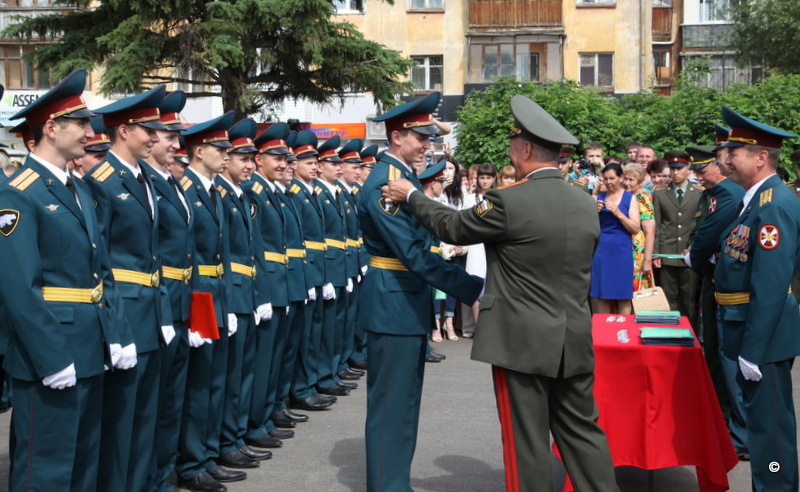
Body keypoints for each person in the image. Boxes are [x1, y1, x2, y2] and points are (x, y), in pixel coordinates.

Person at [382, 94, 618, 492]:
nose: (510, 153)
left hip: (521, 341)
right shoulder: (583, 202)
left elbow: (453, 228)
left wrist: (413, 197)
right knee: (582, 432)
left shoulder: (508, 201)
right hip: (573, 336)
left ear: (526, 149)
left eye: (512, 145)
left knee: (525, 440)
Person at [0, 69, 132, 492]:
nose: (91, 131)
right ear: (52, 129)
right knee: (46, 467)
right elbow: (19, 288)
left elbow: (102, 269)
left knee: (83, 461)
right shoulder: (20, 193)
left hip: (91, 344)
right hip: (51, 353)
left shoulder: (81, 190)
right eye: (81, 123)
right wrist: (50, 357)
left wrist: (115, 331)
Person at [358, 91, 482, 492]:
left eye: (427, 136)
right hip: (393, 299)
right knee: (392, 404)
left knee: (405, 403)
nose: (426, 144)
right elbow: (412, 254)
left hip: (406, 299)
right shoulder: (385, 185)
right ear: (396, 137)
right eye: (419, 136)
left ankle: (395, 482)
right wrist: (474, 289)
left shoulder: (404, 180)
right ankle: (386, 486)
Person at [87, 84, 171, 492]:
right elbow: (99, 261)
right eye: (147, 131)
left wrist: (165, 312)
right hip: (125, 314)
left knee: (145, 416)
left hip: (151, 310)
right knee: (121, 422)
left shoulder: (142, 178)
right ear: (123, 131)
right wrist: (115, 328)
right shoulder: (102, 179)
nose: (155, 138)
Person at [713, 106, 800, 491]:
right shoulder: (758, 200)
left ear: (761, 157)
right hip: (750, 328)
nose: (727, 159)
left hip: (762, 333)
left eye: (736, 152)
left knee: (771, 432)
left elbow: (770, 283)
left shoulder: (773, 205)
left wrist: (754, 348)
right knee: (765, 426)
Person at [138, 90, 203, 490]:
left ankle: (164, 474)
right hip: (157, 306)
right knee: (151, 405)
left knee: (173, 400)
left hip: (183, 301)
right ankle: (150, 477)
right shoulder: (142, 181)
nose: (176, 145)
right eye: (167, 136)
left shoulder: (170, 183)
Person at [175, 111, 242, 491]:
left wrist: (226, 303)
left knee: (215, 379)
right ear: (200, 151)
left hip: (217, 294)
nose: (226, 154)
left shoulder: (212, 190)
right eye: (221, 148)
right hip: (199, 295)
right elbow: (191, 257)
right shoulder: (188, 190)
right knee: (198, 384)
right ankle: (193, 461)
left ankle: (209, 452)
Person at [683, 143, 748, 461]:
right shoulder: (719, 194)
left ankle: (739, 430)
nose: (698, 175)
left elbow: (708, 236)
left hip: (731, 286)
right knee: (718, 353)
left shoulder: (729, 195)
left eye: (702, 168)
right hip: (715, 278)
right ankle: (726, 418)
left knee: (729, 358)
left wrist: (693, 257)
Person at [652, 150, 703, 331]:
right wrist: (655, 253)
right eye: (672, 168)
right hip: (666, 252)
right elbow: (657, 225)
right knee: (667, 297)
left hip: (688, 253)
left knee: (688, 299)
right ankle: (669, 334)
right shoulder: (660, 193)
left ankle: (691, 335)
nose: (675, 173)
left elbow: (700, 225)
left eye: (679, 168)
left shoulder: (699, 193)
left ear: (688, 168)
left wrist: (695, 249)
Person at [590, 163, 640, 314]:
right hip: (602, 250)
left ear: (621, 178)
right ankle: (604, 331)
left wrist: (619, 214)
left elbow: (635, 228)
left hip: (621, 250)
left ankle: (624, 329)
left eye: (612, 178)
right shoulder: (599, 197)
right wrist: (594, 212)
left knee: (623, 293)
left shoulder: (630, 198)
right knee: (602, 293)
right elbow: (590, 227)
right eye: (605, 179)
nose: (608, 182)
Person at [463, 163, 497, 332]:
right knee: (476, 288)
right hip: (476, 246)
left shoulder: (499, 197)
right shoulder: (470, 198)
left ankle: (490, 330)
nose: (485, 181)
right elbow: (466, 221)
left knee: (491, 288)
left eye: (488, 177)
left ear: (494, 178)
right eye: (482, 177)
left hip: (493, 244)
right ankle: (479, 329)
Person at [622, 162, 655, 291]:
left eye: (631, 180)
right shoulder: (626, 196)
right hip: (625, 250)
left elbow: (650, 231)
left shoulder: (642, 198)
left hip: (638, 254)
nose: (627, 183)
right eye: (625, 178)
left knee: (636, 291)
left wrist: (647, 260)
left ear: (640, 182)